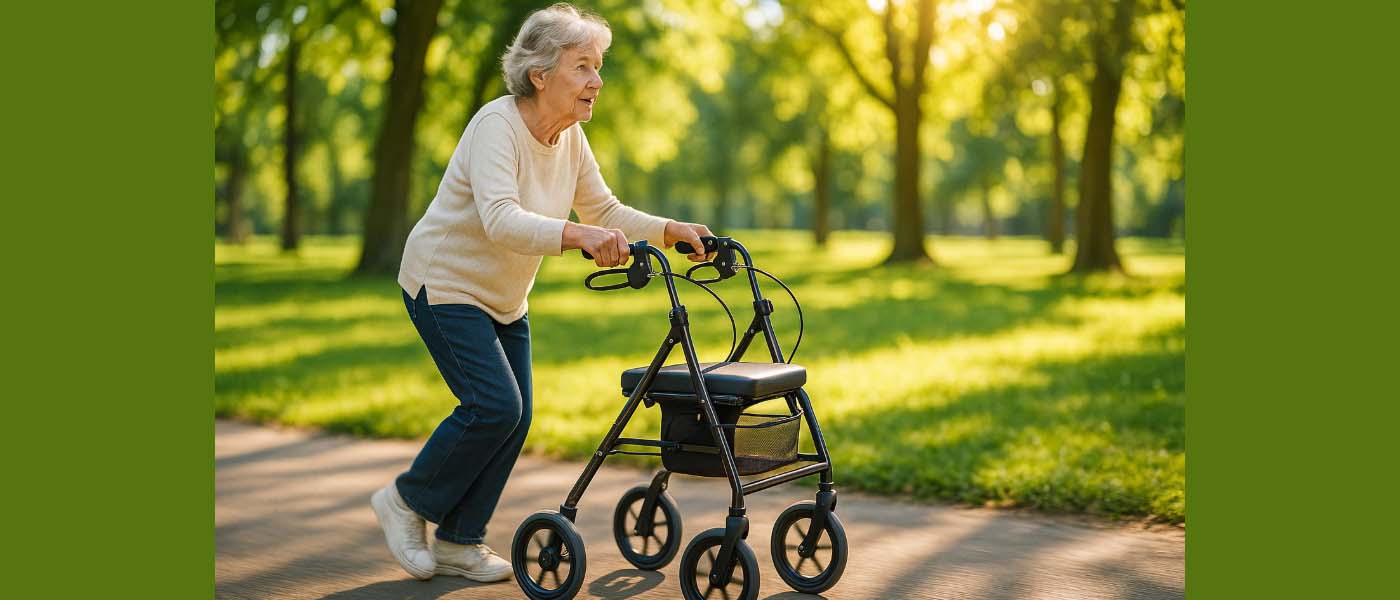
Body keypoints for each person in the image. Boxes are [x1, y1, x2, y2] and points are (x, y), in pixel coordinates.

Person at [369, 2, 715, 584]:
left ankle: (459, 540)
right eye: (583, 67)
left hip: (504, 296)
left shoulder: (571, 138)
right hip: (444, 282)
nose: (597, 81)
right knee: (494, 406)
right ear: (540, 73)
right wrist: (580, 237)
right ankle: (407, 501)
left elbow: (602, 209)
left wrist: (666, 229)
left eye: (598, 67)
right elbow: (502, 218)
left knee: (516, 415)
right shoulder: (495, 126)